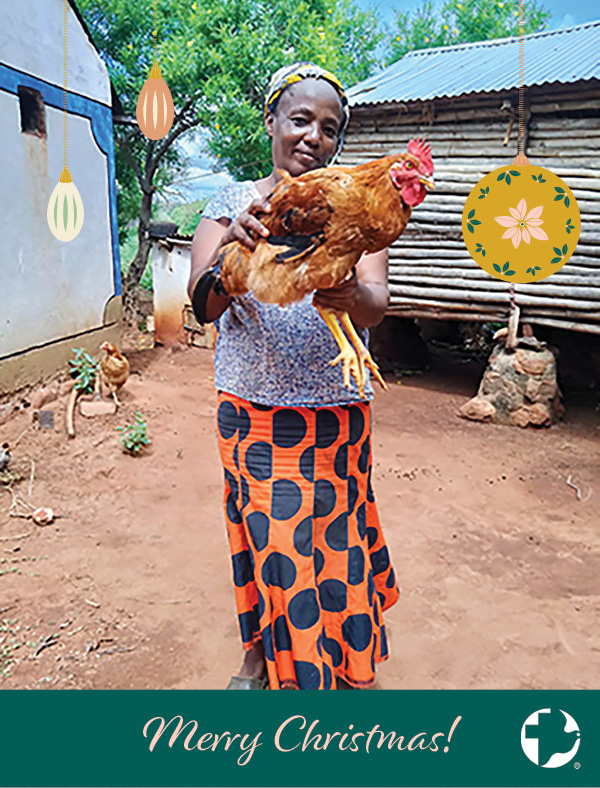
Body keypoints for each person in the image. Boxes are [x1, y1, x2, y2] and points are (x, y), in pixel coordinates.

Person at [188, 62, 399, 690]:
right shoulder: (232, 204)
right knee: (268, 542)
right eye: (301, 119)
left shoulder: (359, 206)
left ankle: (344, 659)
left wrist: (349, 288)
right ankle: (260, 657)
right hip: (253, 411)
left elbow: (376, 305)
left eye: (329, 128)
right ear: (272, 121)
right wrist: (234, 248)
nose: (314, 137)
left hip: (337, 409)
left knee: (336, 540)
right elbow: (201, 307)